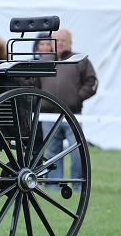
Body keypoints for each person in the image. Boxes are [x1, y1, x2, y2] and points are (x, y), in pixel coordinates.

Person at [39, 28, 98, 189]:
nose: (59, 43)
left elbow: (92, 82)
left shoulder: (80, 60)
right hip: (49, 116)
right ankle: (54, 185)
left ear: (70, 43)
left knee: (77, 152)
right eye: (56, 40)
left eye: (63, 40)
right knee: (52, 153)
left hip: (72, 114)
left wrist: (77, 97)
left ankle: (78, 184)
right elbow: (34, 84)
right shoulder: (43, 61)